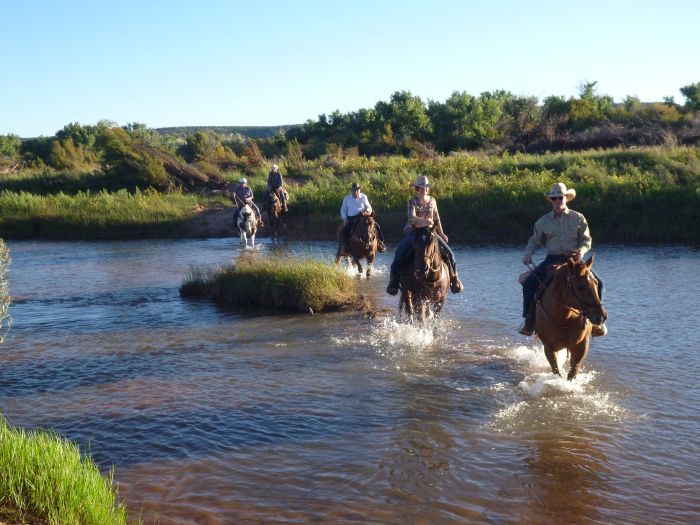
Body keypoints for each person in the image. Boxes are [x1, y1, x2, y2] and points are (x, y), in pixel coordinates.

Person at [519, 182, 605, 336]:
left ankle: (597, 322)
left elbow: (587, 240)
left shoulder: (578, 218)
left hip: (575, 260)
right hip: (552, 259)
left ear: (566, 198)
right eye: (554, 198)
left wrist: (581, 251)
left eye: (560, 197)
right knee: (528, 284)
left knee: (599, 283)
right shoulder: (543, 222)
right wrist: (528, 254)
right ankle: (529, 321)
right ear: (551, 200)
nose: (557, 201)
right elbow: (534, 241)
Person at [386, 175, 463, 295]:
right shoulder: (412, 201)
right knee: (399, 253)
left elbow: (437, 217)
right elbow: (411, 218)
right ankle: (393, 282)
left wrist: (441, 234)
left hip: (430, 232)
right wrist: (424, 222)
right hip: (414, 232)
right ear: (417, 188)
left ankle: (455, 279)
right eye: (422, 187)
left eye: (426, 187)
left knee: (449, 254)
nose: (424, 190)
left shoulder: (432, 200)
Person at [338, 182, 386, 255]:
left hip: (363, 217)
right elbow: (343, 210)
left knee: (377, 226)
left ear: (359, 190)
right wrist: (345, 219)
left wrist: (367, 211)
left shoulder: (363, 197)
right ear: (352, 190)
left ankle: (380, 243)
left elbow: (369, 207)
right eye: (354, 190)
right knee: (346, 230)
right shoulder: (347, 198)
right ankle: (345, 247)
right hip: (351, 218)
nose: (356, 192)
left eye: (357, 190)